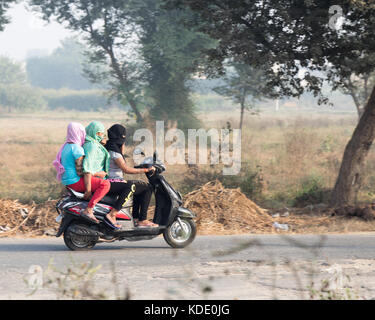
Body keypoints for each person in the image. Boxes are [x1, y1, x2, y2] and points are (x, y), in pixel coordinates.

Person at [82, 121, 140, 229]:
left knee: (139, 187)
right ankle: (112, 214)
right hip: (104, 180)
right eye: (99, 133)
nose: (101, 136)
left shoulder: (100, 145)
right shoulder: (93, 146)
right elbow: (88, 168)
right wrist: (88, 189)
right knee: (130, 186)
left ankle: (138, 219)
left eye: (103, 133)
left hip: (102, 178)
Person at [53, 122, 111, 224]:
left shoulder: (66, 146)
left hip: (67, 180)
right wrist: (97, 174)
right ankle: (89, 209)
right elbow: (81, 171)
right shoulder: (77, 149)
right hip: (75, 181)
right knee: (105, 184)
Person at [105, 124, 157, 227]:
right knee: (145, 188)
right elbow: (125, 169)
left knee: (143, 187)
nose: (123, 140)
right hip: (113, 181)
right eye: (122, 137)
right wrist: (146, 169)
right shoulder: (114, 152)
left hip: (114, 181)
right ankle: (115, 214)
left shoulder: (110, 146)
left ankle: (136, 218)